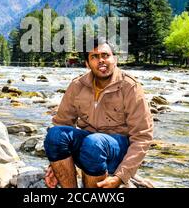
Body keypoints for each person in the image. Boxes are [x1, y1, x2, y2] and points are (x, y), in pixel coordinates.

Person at [44, 37, 153, 188]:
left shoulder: (130, 87)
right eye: (94, 57)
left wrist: (121, 176)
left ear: (115, 59)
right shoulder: (77, 86)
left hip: (117, 151)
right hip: (88, 147)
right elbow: (62, 123)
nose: (101, 60)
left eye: (105, 55)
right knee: (55, 135)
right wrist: (54, 166)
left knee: (94, 143)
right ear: (87, 63)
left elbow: (142, 136)